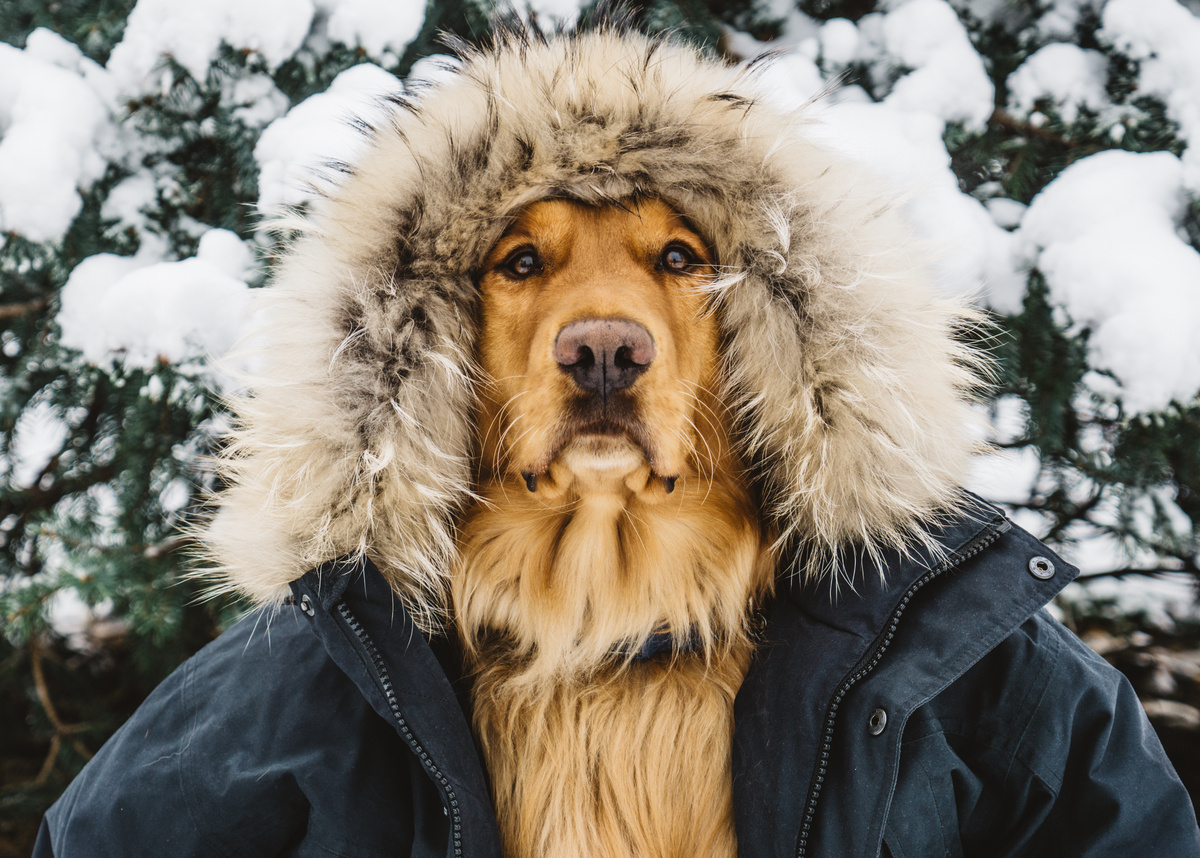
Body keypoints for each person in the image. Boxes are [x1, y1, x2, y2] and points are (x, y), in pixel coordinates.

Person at [35, 20, 1200, 858]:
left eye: (677, 261)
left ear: (768, 357)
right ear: (433, 366)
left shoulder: (936, 649)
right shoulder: (335, 666)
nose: (605, 333)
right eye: (523, 263)